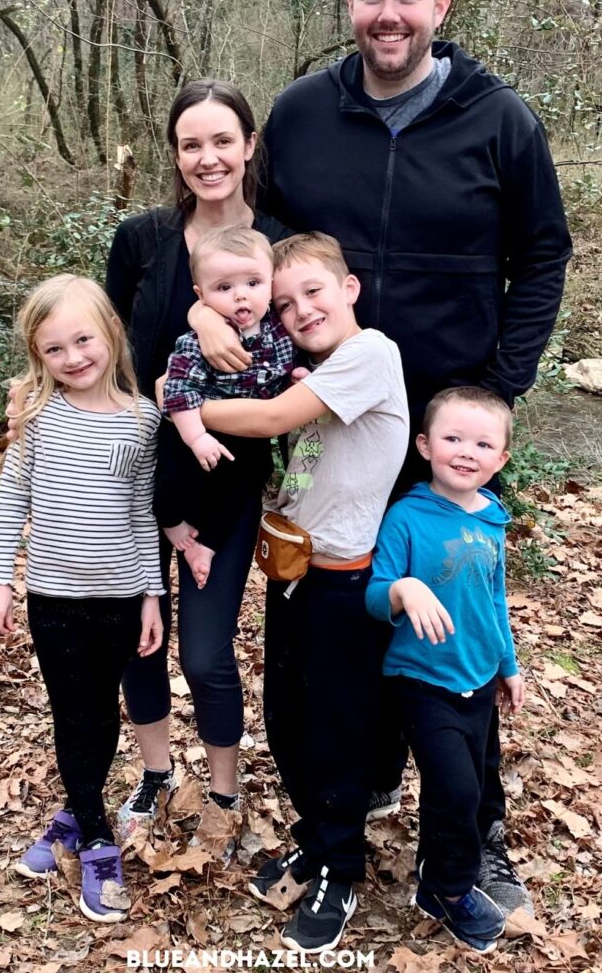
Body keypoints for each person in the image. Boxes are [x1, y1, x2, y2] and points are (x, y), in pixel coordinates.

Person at [254, 0, 571, 914]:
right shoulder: (302, 112)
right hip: (327, 425)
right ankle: (354, 794)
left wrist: (498, 385)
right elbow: (262, 233)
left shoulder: (500, 121)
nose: (386, 14)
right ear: (348, 5)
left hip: (443, 438)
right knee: (334, 626)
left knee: (454, 630)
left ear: (441, 6)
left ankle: (474, 834)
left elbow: (544, 253)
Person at [198, 232, 409, 954]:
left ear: (350, 288)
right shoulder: (297, 364)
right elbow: (216, 338)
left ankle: (339, 868)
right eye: (283, 304)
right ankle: (315, 842)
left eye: (312, 292)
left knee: (334, 730)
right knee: (287, 720)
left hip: (343, 585)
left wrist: (181, 411)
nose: (297, 310)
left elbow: (266, 420)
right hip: (290, 575)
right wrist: (202, 325)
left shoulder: (369, 354)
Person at [105, 80, 290, 833]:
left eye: (222, 141)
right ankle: (154, 771)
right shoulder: (141, 240)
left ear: (249, 146)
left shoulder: (279, 240)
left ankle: (223, 790)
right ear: (175, 155)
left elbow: (305, 344)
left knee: (207, 649)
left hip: (227, 480)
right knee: (135, 637)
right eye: (190, 144)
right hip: (137, 472)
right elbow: (110, 349)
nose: (207, 158)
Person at [0, 274, 164, 923]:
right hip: (54, 598)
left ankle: (72, 811)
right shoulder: (37, 412)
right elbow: (12, 498)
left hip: (117, 597)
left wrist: (151, 595)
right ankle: (96, 838)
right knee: (72, 710)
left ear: (110, 334)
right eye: (53, 348)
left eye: (83, 339)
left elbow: (144, 514)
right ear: (38, 355)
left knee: (101, 711)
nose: (73, 357)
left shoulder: (145, 420)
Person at [366, 386, 524, 954]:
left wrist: (508, 665)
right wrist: (405, 589)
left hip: (479, 679)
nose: (466, 451)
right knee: (456, 790)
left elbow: (495, 599)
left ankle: (437, 870)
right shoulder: (407, 516)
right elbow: (375, 593)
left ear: (501, 458)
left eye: (483, 443)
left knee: (470, 786)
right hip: (421, 681)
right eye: (453, 438)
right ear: (425, 445)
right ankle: (450, 891)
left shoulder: (493, 521)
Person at [156, 225, 297, 589]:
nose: (241, 297)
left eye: (253, 283)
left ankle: (206, 546)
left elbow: (288, 370)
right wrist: (196, 436)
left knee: (242, 487)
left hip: (247, 434)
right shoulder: (195, 341)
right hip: (195, 428)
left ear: (271, 284)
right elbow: (178, 388)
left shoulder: (279, 330)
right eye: (224, 288)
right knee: (171, 479)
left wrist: (299, 378)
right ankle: (171, 521)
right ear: (200, 296)